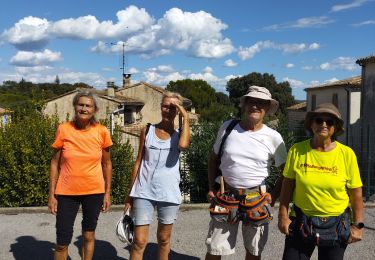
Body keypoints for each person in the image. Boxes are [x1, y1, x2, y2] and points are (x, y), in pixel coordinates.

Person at [206, 85, 287, 260]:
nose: (255, 106)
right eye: (252, 101)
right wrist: (211, 188)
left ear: (267, 109)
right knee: (215, 250)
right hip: (225, 195)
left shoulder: (274, 137)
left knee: (254, 251)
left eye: (261, 103)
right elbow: (212, 159)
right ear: (244, 104)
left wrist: (273, 195)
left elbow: (286, 173)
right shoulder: (228, 128)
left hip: (257, 198)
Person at [278, 103, 364, 260]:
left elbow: (356, 192)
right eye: (318, 120)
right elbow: (287, 185)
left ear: (335, 127)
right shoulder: (297, 150)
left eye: (330, 122)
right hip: (301, 220)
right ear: (311, 124)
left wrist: (358, 225)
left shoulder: (347, 154)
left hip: (337, 224)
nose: (323, 124)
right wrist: (283, 217)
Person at [124, 91, 190, 260]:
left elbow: (183, 145)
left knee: (163, 239)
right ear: (161, 107)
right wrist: (130, 194)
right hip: (143, 191)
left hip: (169, 193)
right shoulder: (147, 130)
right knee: (138, 241)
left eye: (173, 107)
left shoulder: (179, 136)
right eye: (165, 106)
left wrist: (185, 118)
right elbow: (138, 162)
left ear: (178, 110)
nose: (168, 110)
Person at [48, 91, 113, 260]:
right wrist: (52, 195)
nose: (84, 108)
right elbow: (55, 163)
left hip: (94, 192)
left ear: (94, 109)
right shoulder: (63, 129)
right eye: (81, 104)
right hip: (66, 193)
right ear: (75, 107)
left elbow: (107, 164)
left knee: (88, 236)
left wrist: (107, 193)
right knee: (62, 241)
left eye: (88, 105)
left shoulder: (102, 131)